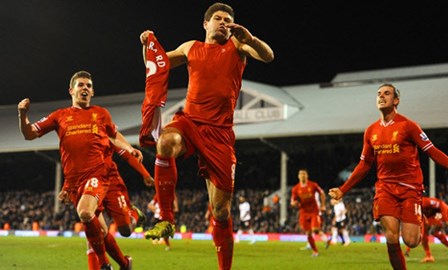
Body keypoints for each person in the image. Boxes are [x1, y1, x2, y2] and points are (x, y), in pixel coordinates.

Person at [140, 3, 274, 269]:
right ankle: (166, 218)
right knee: (165, 143)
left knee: (221, 211)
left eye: (228, 20)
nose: (223, 23)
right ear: (206, 24)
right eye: (218, 18)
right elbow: (156, 64)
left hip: (220, 134)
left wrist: (251, 39)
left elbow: (268, 56)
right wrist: (147, 45)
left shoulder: (237, 46)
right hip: (189, 122)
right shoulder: (191, 47)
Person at [328, 83, 448, 270]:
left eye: (387, 94)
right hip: (385, 189)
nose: (381, 96)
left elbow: (433, 152)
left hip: (410, 189)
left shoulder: (408, 126)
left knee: (412, 241)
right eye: (379, 94)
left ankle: (418, 222)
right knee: (391, 236)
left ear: (396, 100)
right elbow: (364, 165)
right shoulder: (371, 131)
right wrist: (343, 189)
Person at [18, 70, 143, 270]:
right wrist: (22, 115)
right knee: (104, 231)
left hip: (97, 175)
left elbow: (114, 134)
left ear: (92, 92)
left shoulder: (100, 113)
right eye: (81, 85)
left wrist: (128, 148)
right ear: (71, 90)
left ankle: (104, 264)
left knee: (85, 213)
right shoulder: (60, 116)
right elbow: (29, 134)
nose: (85, 88)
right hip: (75, 183)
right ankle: (125, 263)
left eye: (88, 86)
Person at [86, 143, 154, 269]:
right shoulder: (73, 129)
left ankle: (134, 214)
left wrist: (145, 174)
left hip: (110, 182)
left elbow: (124, 152)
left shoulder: (103, 125)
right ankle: (108, 265)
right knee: (93, 228)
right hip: (88, 184)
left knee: (126, 230)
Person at [404, 196, 448, 263]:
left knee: (434, 231)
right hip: (431, 216)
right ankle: (429, 256)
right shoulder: (414, 209)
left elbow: (440, 204)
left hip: (441, 212)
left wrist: (446, 218)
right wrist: (408, 249)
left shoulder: (425, 202)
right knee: (424, 233)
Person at [290, 168, 326, 257]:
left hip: (314, 211)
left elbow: (322, 193)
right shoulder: (295, 189)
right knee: (308, 233)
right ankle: (315, 251)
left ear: (307, 176)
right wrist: (294, 203)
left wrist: (323, 205)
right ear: (298, 176)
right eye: (301, 174)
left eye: (304, 174)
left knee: (315, 229)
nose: (302, 175)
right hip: (303, 212)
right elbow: (292, 201)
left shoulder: (313, 185)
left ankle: (324, 238)